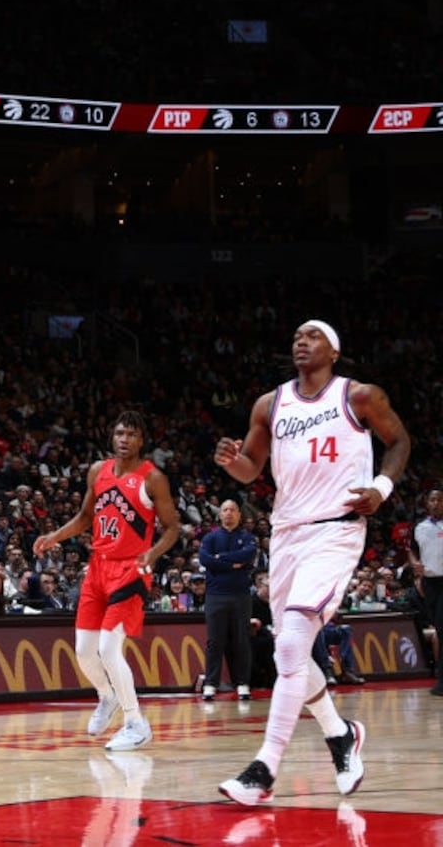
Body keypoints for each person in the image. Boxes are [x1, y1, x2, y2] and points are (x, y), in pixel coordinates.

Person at [214, 320, 410, 806]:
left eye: (313, 336)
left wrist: (381, 489)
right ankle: (341, 735)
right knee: (288, 656)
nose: (301, 341)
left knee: (299, 635)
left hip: (337, 527)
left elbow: (400, 442)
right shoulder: (270, 404)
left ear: (335, 351)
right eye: (297, 336)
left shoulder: (360, 396)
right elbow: (250, 469)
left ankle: (265, 767)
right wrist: (230, 461)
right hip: (287, 533)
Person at [33, 411, 180, 752]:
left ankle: (136, 723)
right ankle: (107, 696)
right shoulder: (98, 471)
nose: (124, 439)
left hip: (131, 569)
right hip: (98, 568)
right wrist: (55, 536)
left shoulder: (153, 478)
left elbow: (172, 527)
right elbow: (85, 517)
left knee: (108, 648)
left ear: (141, 440)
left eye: (131, 434)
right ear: (112, 438)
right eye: (119, 433)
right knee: (84, 652)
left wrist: (153, 553)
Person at [198, 499, 258, 701]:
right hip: (216, 595)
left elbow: (248, 555)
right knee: (214, 641)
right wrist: (232, 563)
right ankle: (210, 684)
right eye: (225, 510)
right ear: (220, 514)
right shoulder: (210, 538)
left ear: (239, 515)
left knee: (241, 639)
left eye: (232, 510)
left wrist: (220, 559)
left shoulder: (247, 537)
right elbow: (205, 559)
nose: (229, 513)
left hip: (241, 594)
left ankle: (242, 683)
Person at [412, 489, 443, 698]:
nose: (435, 503)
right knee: (439, 630)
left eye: (440, 500)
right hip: (430, 583)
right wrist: (415, 565)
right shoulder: (420, 527)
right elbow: (411, 549)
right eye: (432, 499)